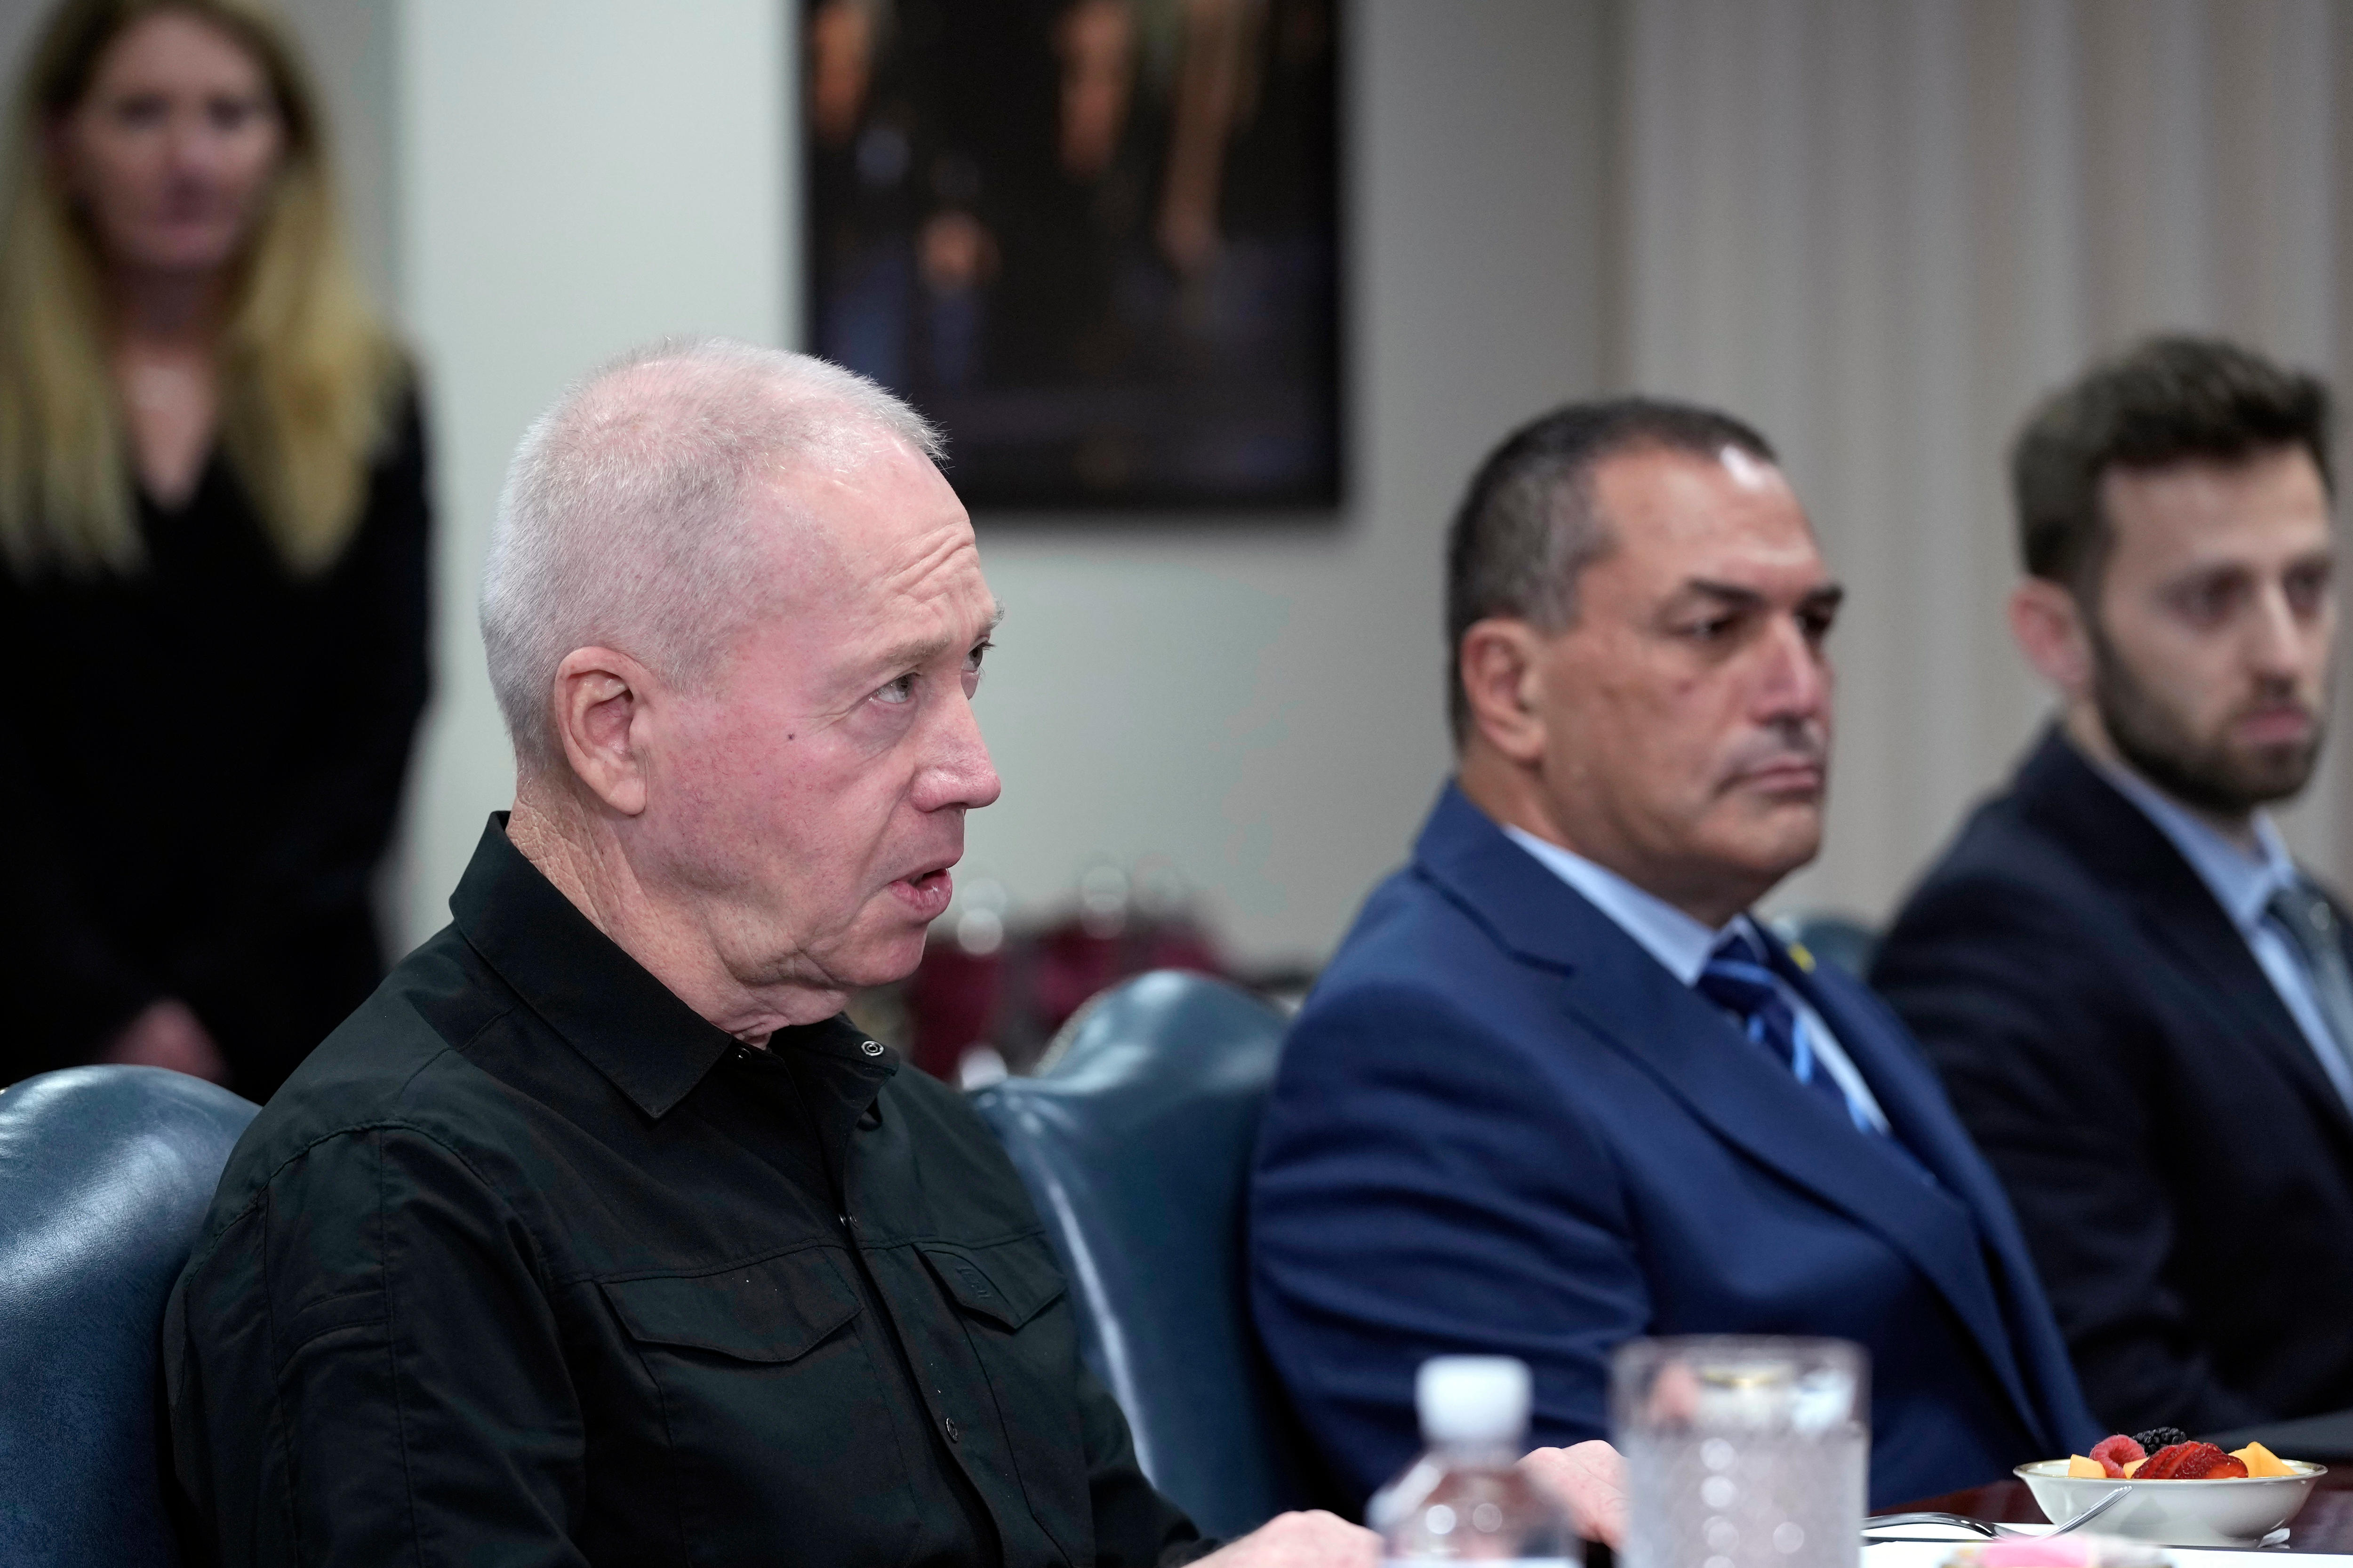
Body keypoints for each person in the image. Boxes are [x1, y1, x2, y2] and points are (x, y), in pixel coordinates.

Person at [164, 341, 1625, 1565]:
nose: (974, 769)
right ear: (615, 728)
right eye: (891, 692)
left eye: (969, 669)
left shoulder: (916, 1133)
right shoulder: (397, 1191)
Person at [1249, 398, 2100, 1513]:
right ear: (1511, 689)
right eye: (1716, 629)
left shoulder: (1769, 969)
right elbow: (1596, 1529)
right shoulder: (1416, 1047)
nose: (1800, 688)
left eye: (1815, 625)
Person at [1872, 336, 2353, 1434]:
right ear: (2058, 636)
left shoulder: (2301, 909)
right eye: (2209, 600)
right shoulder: (1995, 942)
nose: (2282, 650)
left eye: (2308, 586)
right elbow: (2133, 1427)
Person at [0, 0, 429, 1100]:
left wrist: (212, 1003)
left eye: (229, 115)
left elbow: (377, 715)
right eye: (141, 113)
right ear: (61, 143)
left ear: (283, 144)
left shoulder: (368, 398)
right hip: (27, 1012)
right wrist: (109, 1005)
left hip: (299, 1017)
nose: (188, 160)